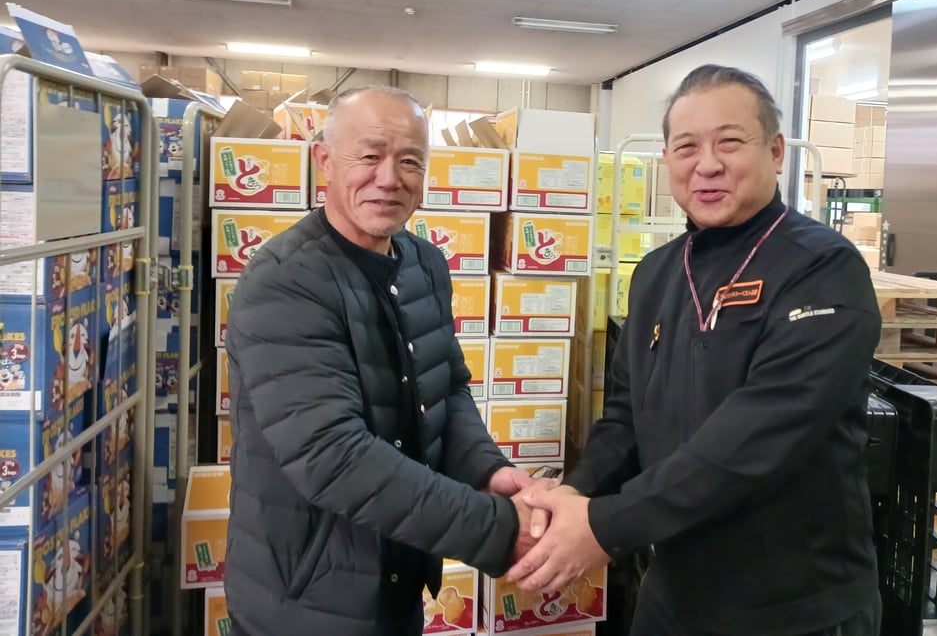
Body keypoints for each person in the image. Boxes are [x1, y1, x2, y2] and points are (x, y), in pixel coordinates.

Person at [510, 65, 883, 635]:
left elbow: (763, 430)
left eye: (729, 142)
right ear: (667, 160)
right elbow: (626, 417)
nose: (706, 165)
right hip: (673, 588)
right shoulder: (656, 273)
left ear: (776, 152)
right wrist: (573, 494)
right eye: (686, 147)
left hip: (792, 604)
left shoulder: (822, 269)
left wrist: (605, 526)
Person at [225, 86, 542, 635]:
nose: (390, 178)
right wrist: (497, 530)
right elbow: (330, 455)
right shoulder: (285, 279)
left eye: (410, 161)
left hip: (397, 573)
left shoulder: (424, 263)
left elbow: (446, 390)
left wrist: (489, 471)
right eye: (369, 155)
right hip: (306, 598)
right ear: (326, 161)